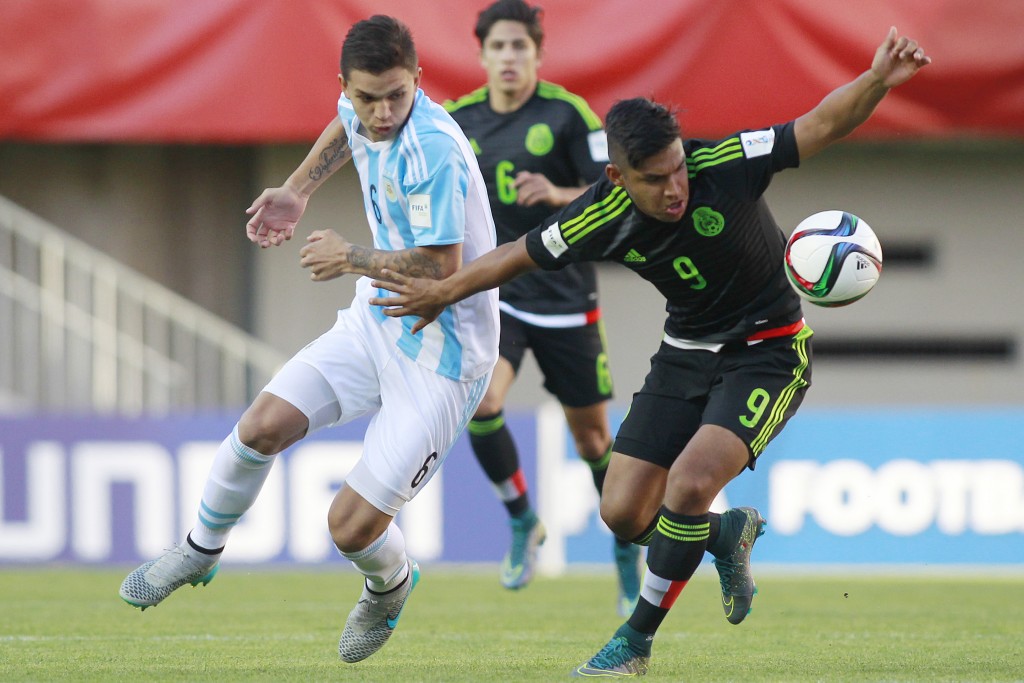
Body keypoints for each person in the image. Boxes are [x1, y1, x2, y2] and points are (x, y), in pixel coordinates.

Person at [368, 27, 931, 677]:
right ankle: (727, 533)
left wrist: (878, 79)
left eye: (678, 169)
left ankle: (634, 642)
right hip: (685, 350)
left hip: (769, 350)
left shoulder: (725, 163)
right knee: (621, 510)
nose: (676, 188)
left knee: (690, 483)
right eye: (656, 178)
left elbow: (821, 123)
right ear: (616, 177)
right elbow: (515, 255)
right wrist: (442, 289)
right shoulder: (600, 214)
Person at [118, 15, 499, 665]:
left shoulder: (431, 149)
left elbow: (442, 267)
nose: (380, 113)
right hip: (376, 318)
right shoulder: (360, 110)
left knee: (348, 527)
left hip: (444, 355)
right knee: (261, 425)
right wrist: (296, 190)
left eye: (396, 96)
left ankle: (391, 582)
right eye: (366, 96)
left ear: (420, 81)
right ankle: (199, 549)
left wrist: (349, 255)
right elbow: (344, 129)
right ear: (346, 86)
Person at [443, 0, 640, 609]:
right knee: (483, 399)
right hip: (497, 293)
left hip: (564, 297)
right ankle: (523, 519)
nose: (509, 57)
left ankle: (627, 542)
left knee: (591, 440)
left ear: (537, 53)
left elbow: (621, 188)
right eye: (498, 47)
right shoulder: (456, 120)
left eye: (519, 47)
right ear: (481, 55)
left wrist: (557, 192)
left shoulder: (566, 114)